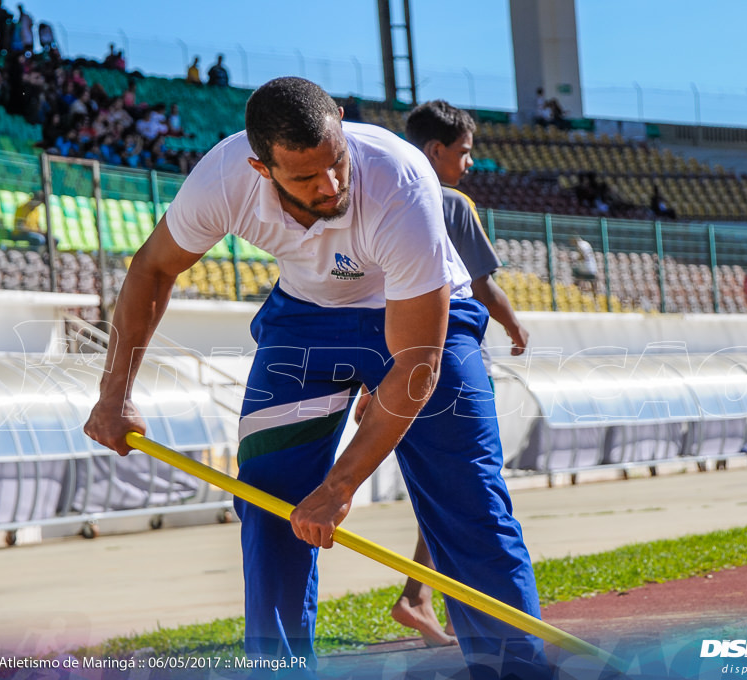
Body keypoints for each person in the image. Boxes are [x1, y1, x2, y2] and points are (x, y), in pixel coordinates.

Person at [83, 77, 551, 679]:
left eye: (336, 163)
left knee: (470, 504)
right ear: (261, 167)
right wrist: (114, 395)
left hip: (419, 318)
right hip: (307, 321)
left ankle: (517, 670)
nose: (329, 187)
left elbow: (417, 366)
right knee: (269, 499)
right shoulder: (224, 178)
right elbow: (151, 269)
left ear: (339, 121)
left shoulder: (400, 179)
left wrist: (340, 486)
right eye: (304, 179)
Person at [386, 98, 530, 647]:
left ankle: (418, 596)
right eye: (465, 152)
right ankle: (456, 610)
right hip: (452, 359)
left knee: (442, 488)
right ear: (435, 150)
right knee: (470, 490)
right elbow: (485, 285)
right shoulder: (450, 203)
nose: (469, 163)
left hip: (395, 358)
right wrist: (515, 328)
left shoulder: (380, 199)